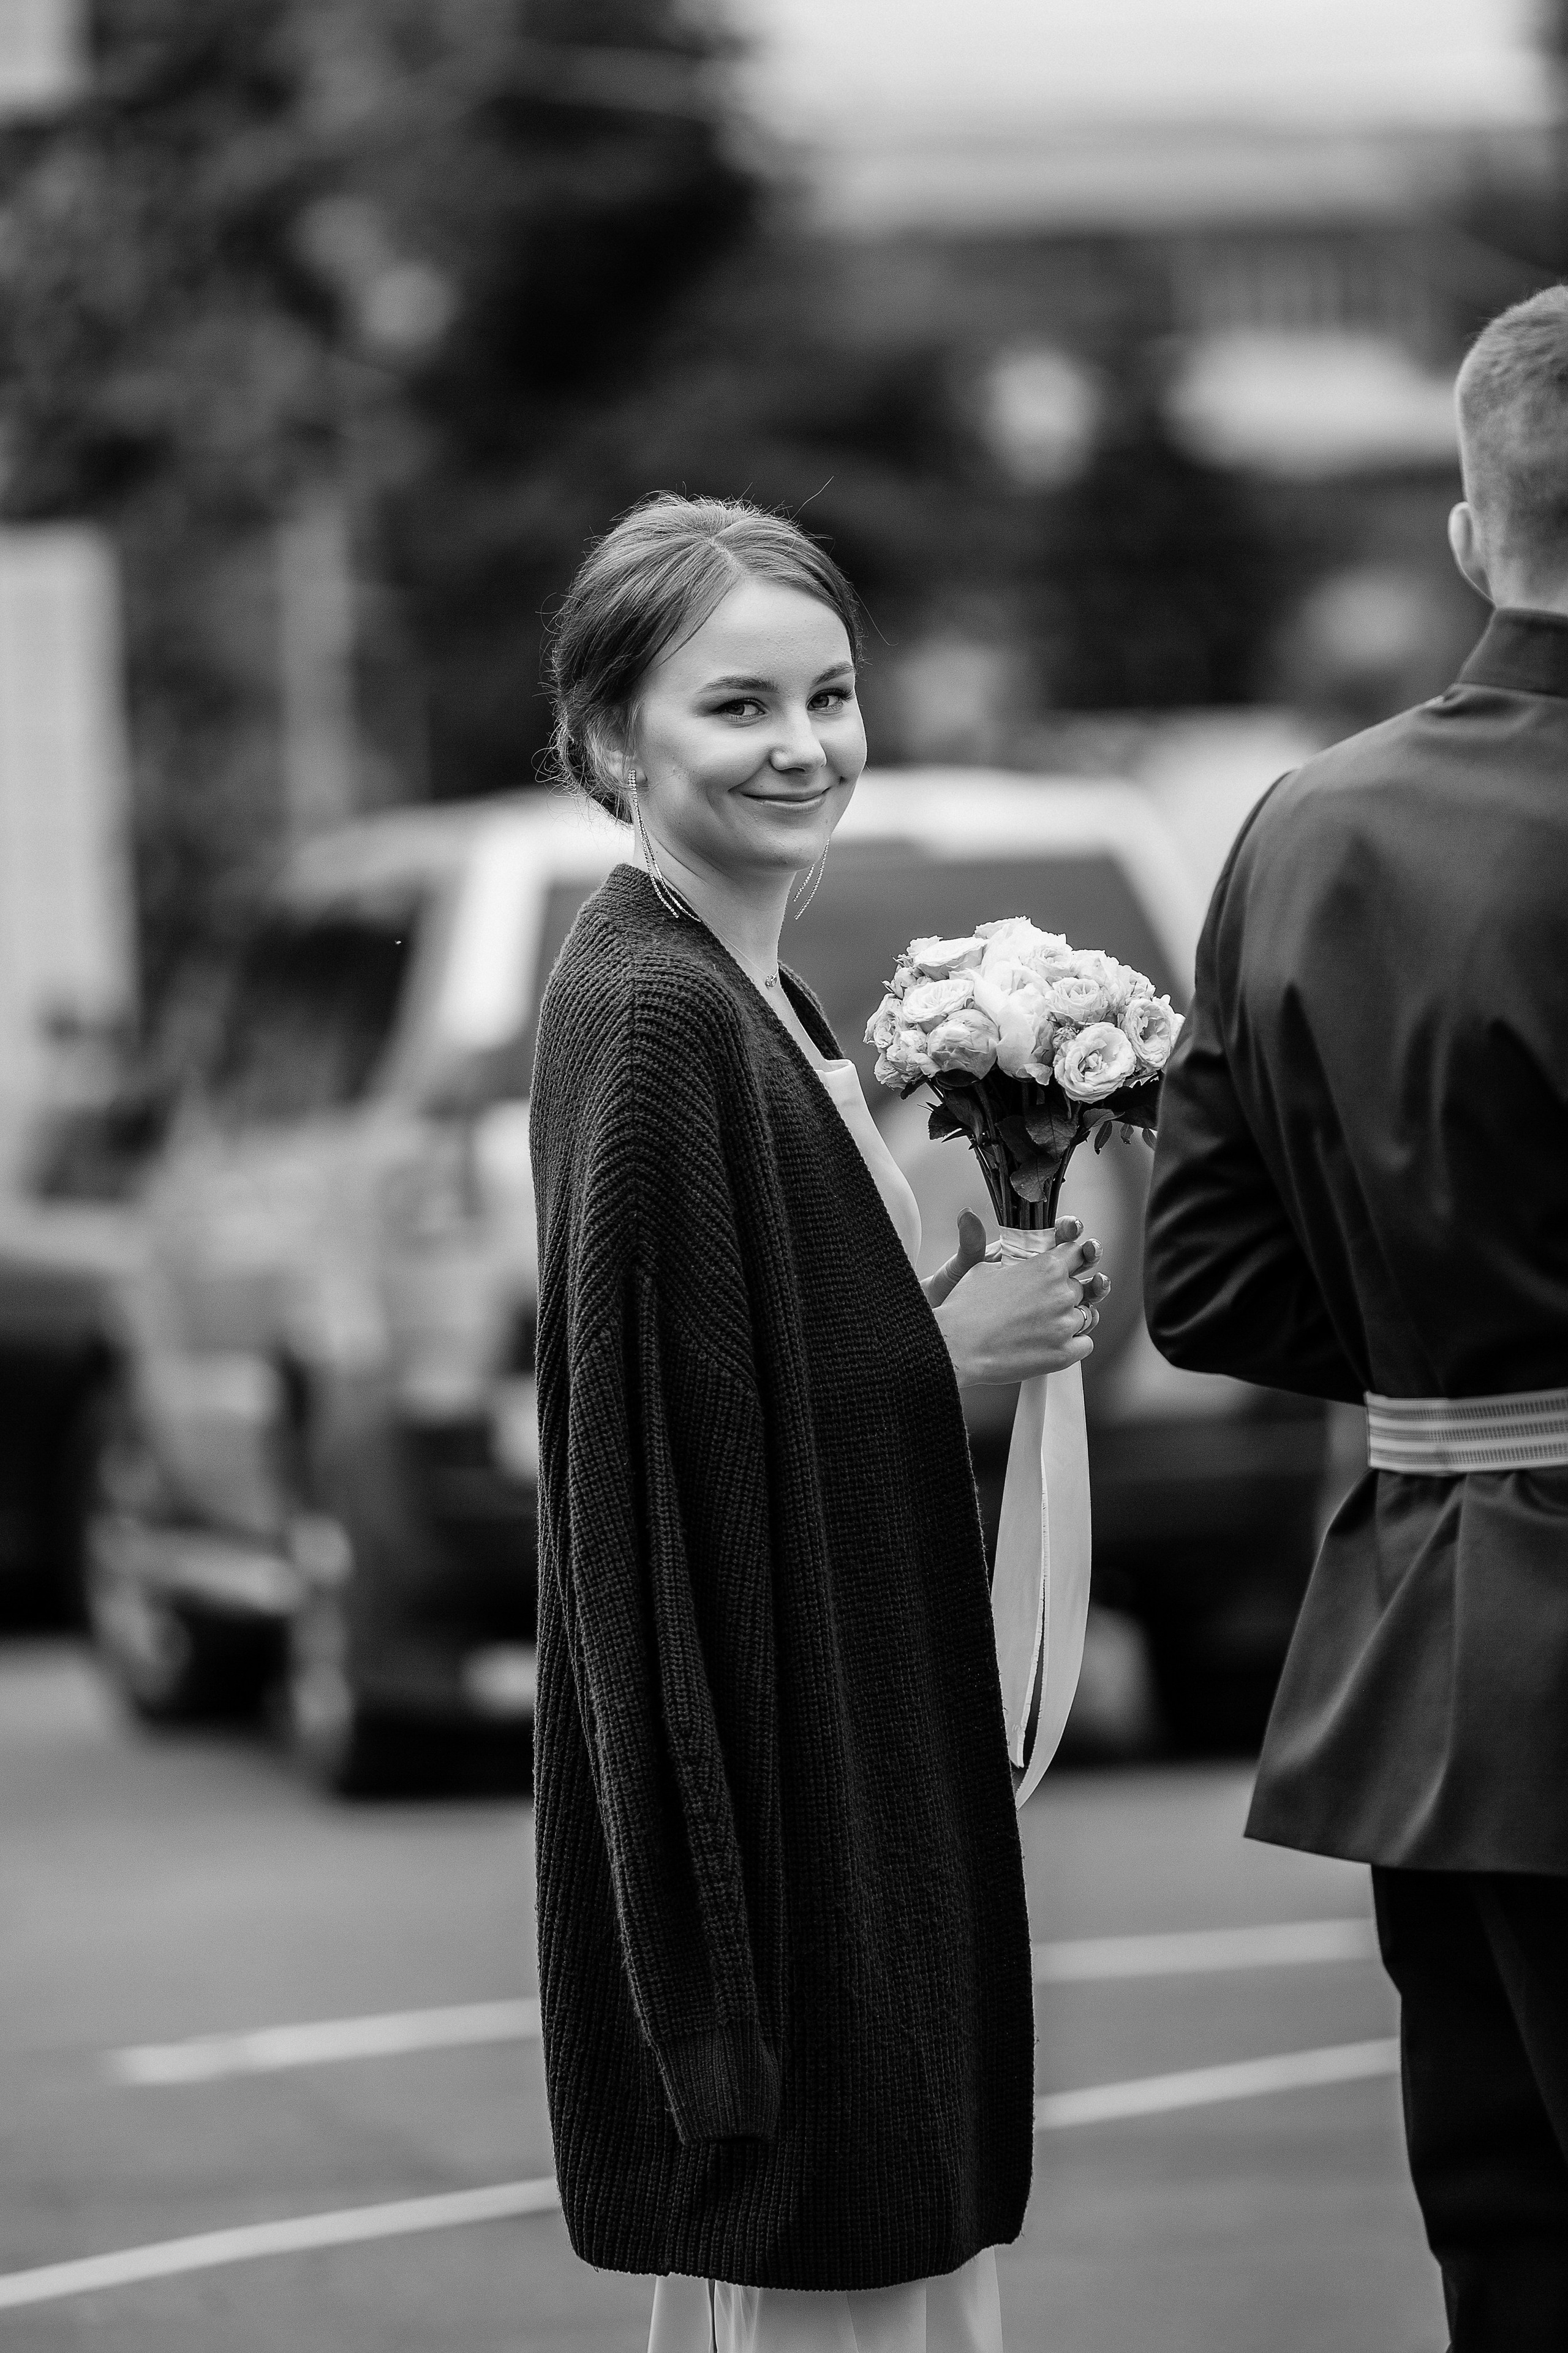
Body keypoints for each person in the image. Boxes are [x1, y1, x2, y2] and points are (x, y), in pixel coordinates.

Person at [529, 493, 1109, 2352]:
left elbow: (754, 1369)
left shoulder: (747, 989)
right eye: (738, 707)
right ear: (616, 739)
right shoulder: (650, 1015)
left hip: (851, 1789)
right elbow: (657, 1476)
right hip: (791, 1831)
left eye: (832, 694)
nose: (803, 746)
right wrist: (949, 1368)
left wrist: (928, 1327)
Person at [1142, 287, 1568, 2350]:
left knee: (1511, 2245)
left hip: (1435, 1660)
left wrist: (1460, 1366)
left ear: (1474, 529)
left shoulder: (1308, 823)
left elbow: (1207, 1279)